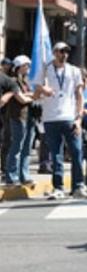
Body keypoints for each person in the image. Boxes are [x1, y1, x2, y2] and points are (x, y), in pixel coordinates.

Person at [36, 42, 87, 200]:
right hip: (51, 117)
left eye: (66, 51)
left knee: (77, 151)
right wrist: (42, 89)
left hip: (69, 117)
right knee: (56, 155)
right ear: (54, 52)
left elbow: (79, 95)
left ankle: (78, 186)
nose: (64, 54)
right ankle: (58, 187)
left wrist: (79, 118)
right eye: (61, 51)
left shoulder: (74, 71)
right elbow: (35, 89)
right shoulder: (45, 69)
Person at [3, 56, 37, 187]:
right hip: (18, 116)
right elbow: (21, 99)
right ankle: (12, 176)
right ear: (18, 66)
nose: (28, 68)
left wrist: (31, 95)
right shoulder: (13, 81)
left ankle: (25, 175)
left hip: (30, 116)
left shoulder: (26, 82)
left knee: (27, 148)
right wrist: (32, 96)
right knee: (17, 146)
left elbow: (29, 95)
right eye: (25, 65)